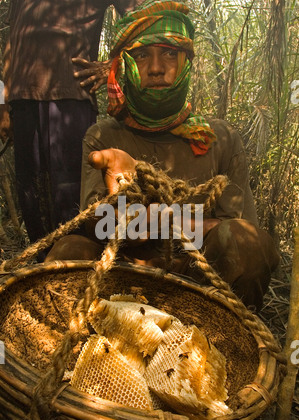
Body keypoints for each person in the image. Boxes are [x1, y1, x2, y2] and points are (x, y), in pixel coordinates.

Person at [46, 0, 280, 312]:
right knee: (67, 251)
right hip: (123, 270)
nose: (156, 68)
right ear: (126, 64)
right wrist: (126, 219)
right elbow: (97, 225)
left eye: (170, 53)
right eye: (142, 55)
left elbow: (238, 230)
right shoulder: (103, 137)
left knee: (249, 245)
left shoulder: (221, 138)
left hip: (199, 277)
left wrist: (149, 223)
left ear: (187, 62)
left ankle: (232, 342)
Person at [2, 0, 145, 245]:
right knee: (31, 196)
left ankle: (77, 268)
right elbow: (13, 38)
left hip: (71, 97)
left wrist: (114, 64)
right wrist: (2, 102)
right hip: (22, 100)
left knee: (72, 199)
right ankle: (43, 271)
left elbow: (144, 17)